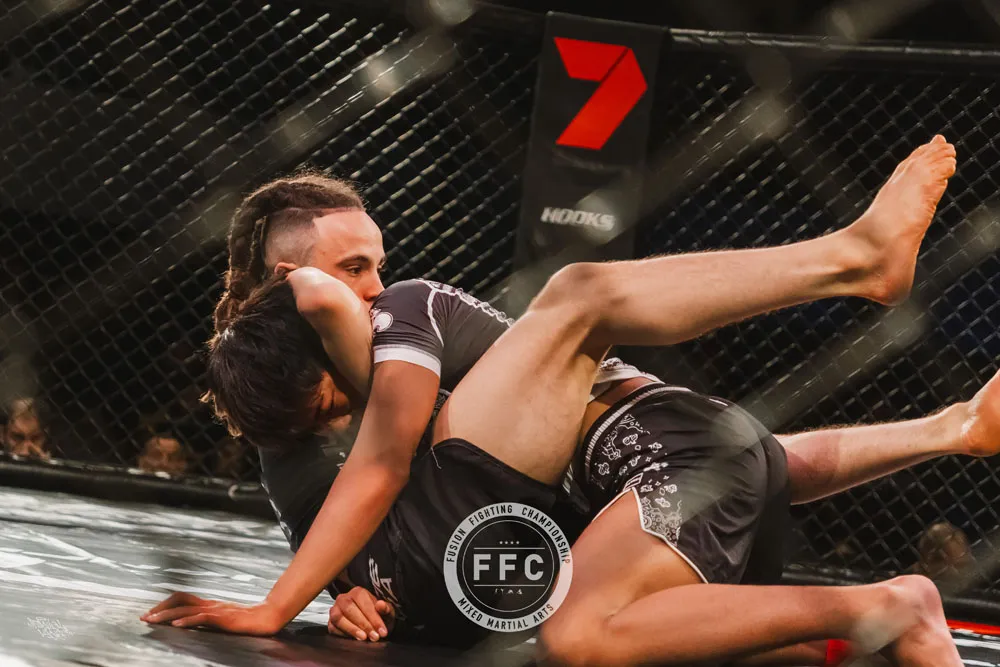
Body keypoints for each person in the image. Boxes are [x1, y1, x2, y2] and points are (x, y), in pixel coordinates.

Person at [146, 136, 967, 665]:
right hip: (664, 483)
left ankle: (855, 258)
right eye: (355, 266)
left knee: (576, 296)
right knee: (666, 635)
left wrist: (276, 606)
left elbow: (382, 459)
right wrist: (344, 589)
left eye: (375, 263)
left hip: (653, 452)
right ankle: (868, 621)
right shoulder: (294, 394)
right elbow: (326, 504)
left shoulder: (403, 315)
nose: (375, 283)